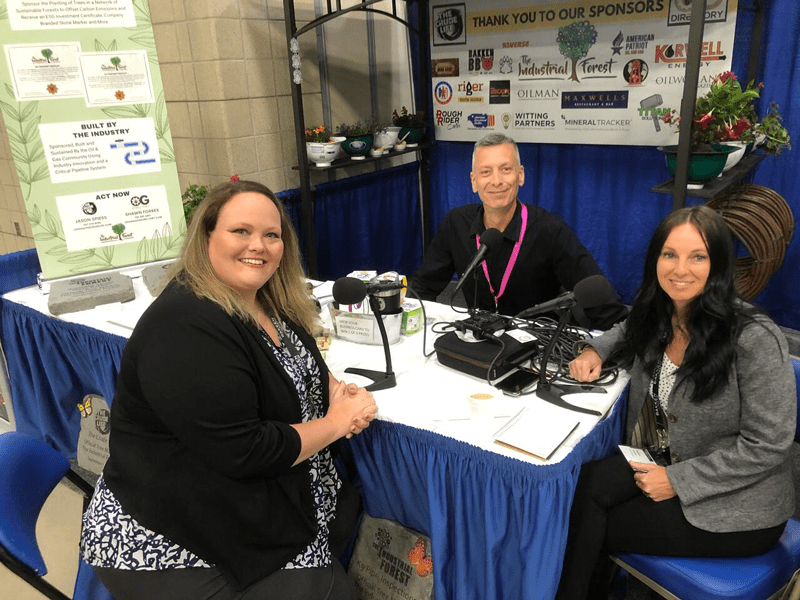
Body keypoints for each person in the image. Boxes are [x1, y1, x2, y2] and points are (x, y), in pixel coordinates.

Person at [80, 180, 378, 600]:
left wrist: (334, 390)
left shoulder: (263, 298)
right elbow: (247, 450)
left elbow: (299, 361)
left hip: (242, 500)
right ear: (206, 238)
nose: (258, 245)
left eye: (271, 235)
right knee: (332, 592)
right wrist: (335, 423)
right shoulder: (185, 325)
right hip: (172, 534)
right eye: (241, 231)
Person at [556, 205, 796, 600]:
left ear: (717, 263)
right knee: (579, 489)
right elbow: (626, 328)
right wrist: (595, 350)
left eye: (697, 257)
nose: (680, 269)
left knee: (588, 525)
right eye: (670, 254)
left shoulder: (755, 338)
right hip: (657, 454)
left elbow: (767, 445)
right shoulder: (663, 311)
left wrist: (678, 481)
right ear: (656, 260)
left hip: (737, 504)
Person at [409, 133, 627, 330]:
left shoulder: (549, 230)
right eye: (486, 172)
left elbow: (601, 301)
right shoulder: (455, 223)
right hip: (480, 336)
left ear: (520, 175)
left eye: (506, 169)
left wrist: (609, 346)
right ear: (474, 182)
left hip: (537, 343)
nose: (496, 181)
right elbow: (423, 287)